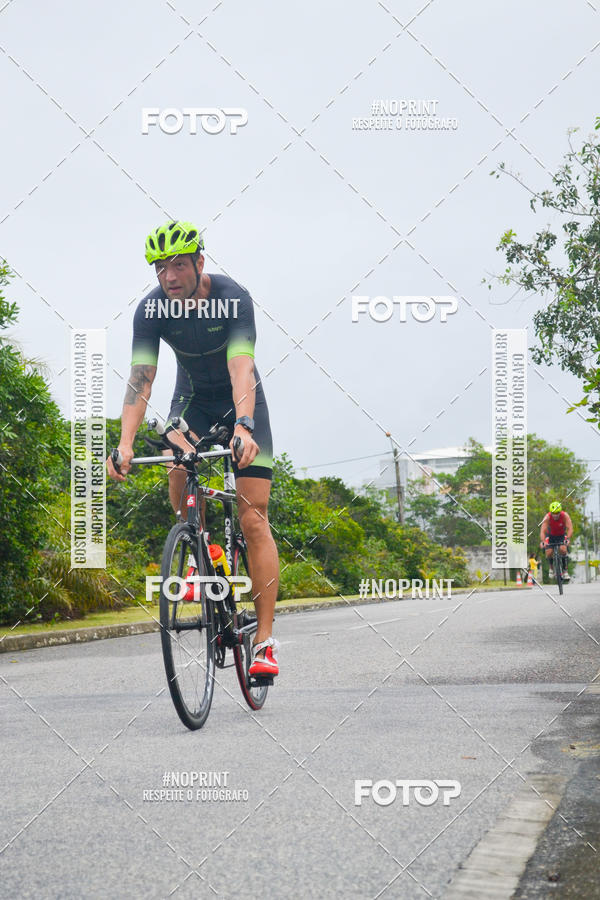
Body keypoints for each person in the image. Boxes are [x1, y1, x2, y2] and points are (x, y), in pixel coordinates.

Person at [106, 220, 280, 678]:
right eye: (160, 269)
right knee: (176, 462)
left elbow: (242, 366)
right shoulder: (151, 310)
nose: (168, 277)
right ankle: (197, 547)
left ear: (199, 263)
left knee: (252, 516)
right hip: (193, 402)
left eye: (178, 266)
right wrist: (124, 444)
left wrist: (244, 425)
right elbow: (141, 379)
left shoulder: (232, 297)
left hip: (242, 401)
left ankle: (264, 643)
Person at [540, 501, 573, 581]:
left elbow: (570, 529)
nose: (555, 515)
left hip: (561, 535)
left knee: (563, 549)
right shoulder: (547, 517)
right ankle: (551, 568)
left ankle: (565, 571)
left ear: (560, 512)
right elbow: (542, 531)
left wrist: (568, 539)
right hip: (550, 536)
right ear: (551, 512)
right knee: (549, 552)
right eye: (553, 513)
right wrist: (543, 541)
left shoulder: (565, 516)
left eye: (557, 513)